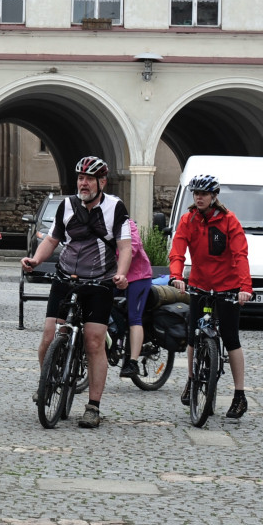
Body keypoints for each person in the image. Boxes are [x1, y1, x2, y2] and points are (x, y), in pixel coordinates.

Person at [21, 156, 132, 429]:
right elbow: (52, 239)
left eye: (89, 179)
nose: (83, 183)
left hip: (100, 281)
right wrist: (36, 260)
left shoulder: (115, 207)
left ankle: (93, 406)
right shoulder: (67, 205)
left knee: (94, 341)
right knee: (49, 335)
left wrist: (121, 274)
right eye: (80, 178)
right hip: (66, 277)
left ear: (102, 182)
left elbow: (125, 246)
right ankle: (48, 380)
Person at [169, 174, 253, 419]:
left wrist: (245, 287)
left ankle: (239, 395)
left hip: (228, 286)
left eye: (204, 194)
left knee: (231, 338)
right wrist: (176, 276)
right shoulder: (188, 220)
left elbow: (240, 255)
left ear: (214, 197)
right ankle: (191, 380)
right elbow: (177, 252)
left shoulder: (229, 221)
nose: (199, 198)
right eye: (196, 193)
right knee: (193, 336)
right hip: (200, 285)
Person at [118, 217, 156, 378]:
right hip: (113, 276)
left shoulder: (127, 224)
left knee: (134, 316)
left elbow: (132, 248)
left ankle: (133, 362)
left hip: (138, 277)